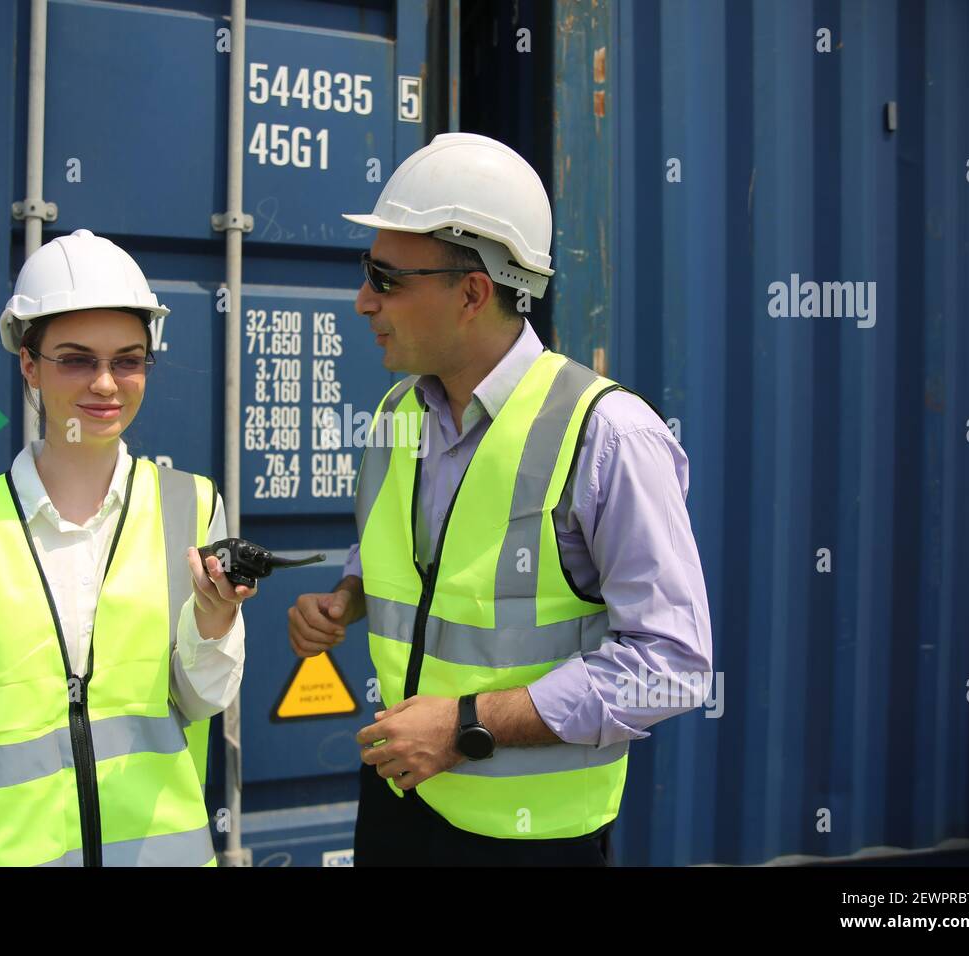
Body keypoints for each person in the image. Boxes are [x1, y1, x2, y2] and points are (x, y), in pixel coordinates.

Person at [286, 134, 713, 866]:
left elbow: (671, 664)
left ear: (473, 292)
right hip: (398, 800)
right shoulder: (399, 414)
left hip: (528, 838)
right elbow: (419, 556)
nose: (363, 301)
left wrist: (461, 727)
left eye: (384, 278)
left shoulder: (607, 435)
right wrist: (348, 597)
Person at [0, 229, 253, 866]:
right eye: (76, 358)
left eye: (128, 359)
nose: (106, 383)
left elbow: (200, 701)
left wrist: (214, 626)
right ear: (29, 364)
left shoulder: (190, 504)